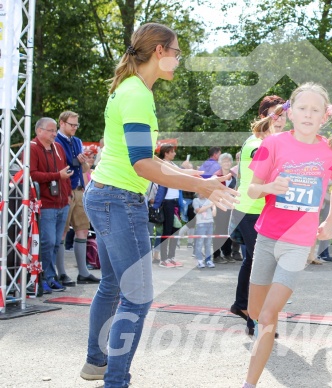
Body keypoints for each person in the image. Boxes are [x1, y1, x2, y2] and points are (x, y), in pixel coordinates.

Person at [79, 23, 238, 387]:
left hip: (105, 194)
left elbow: (146, 157)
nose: (179, 60)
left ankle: (96, 362)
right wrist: (201, 185)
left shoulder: (131, 88)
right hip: (118, 199)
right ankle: (115, 380)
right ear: (159, 52)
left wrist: (191, 175)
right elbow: (143, 165)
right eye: (177, 52)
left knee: (112, 286)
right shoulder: (136, 94)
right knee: (137, 299)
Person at [243, 83, 332, 388]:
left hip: (298, 243)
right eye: (302, 108)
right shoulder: (273, 144)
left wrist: (330, 221)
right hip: (266, 238)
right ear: (290, 113)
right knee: (255, 312)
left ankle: (248, 383)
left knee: (266, 315)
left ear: (325, 116)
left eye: (315, 110)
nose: (308, 114)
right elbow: (252, 188)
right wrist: (268, 188)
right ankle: (266, 328)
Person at [229, 95, 287, 336]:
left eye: (284, 115)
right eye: (276, 115)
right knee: (261, 266)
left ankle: (242, 306)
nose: (281, 120)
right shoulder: (258, 145)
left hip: (253, 210)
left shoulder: (263, 141)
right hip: (251, 211)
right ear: (264, 117)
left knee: (252, 262)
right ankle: (256, 318)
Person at [55, 111, 100, 286]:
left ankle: (83, 272)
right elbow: (61, 167)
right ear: (62, 123)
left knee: (82, 230)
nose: (74, 128)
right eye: (72, 124)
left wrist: (84, 162)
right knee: (63, 232)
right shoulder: (57, 141)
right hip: (65, 190)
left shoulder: (77, 141)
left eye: (76, 125)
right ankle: (62, 273)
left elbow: (83, 168)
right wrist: (78, 161)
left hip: (80, 189)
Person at [30, 117, 73, 293]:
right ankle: (44, 277)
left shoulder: (58, 147)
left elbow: (66, 172)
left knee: (56, 243)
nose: (55, 133)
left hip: (62, 202)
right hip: (46, 203)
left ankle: (50, 275)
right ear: (39, 131)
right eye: (51, 130)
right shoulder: (32, 148)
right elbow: (32, 175)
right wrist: (57, 176)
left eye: (55, 130)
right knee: (47, 242)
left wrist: (68, 193)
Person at [152, 144, 184, 268]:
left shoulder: (173, 165)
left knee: (175, 230)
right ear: (166, 153)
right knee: (166, 231)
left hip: (176, 201)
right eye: (172, 152)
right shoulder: (162, 165)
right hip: (167, 202)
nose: (174, 154)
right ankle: (163, 259)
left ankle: (171, 257)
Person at [212, 152, 238, 264]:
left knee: (229, 231)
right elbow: (212, 192)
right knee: (219, 230)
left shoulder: (234, 176)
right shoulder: (216, 175)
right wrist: (213, 207)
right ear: (220, 163)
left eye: (228, 161)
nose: (226, 163)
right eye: (224, 161)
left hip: (231, 207)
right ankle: (216, 255)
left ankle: (227, 253)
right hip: (219, 206)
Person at [192, 192, 217, 268]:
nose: (201, 193)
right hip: (201, 223)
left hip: (210, 222)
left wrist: (214, 207)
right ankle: (199, 260)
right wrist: (210, 205)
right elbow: (198, 210)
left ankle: (208, 260)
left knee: (208, 243)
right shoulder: (196, 200)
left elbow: (214, 214)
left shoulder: (209, 200)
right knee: (199, 242)